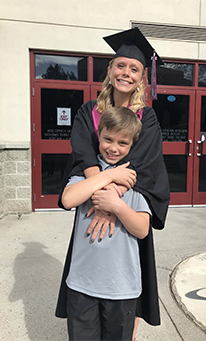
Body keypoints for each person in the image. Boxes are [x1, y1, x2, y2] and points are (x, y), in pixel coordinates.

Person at [55, 27, 170, 339]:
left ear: (142, 77)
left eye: (134, 68)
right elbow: (83, 156)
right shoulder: (87, 112)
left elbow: (143, 166)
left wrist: (112, 206)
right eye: (120, 65)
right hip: (93, 200)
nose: (126, 73)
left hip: (127, 204)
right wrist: (100, 198)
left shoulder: (146, 118)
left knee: (126, 304)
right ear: (109, 70)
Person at [61, 106, 151, 340]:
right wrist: (109, 176)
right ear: (98, 136)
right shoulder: (85, 173)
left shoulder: (135, 180)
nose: (113, 147)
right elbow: (68, 199)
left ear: (133, 145)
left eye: (123, 143)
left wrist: (117, 205)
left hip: (122, 287)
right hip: (82, 285)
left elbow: (142, 230)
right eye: (108, 139)